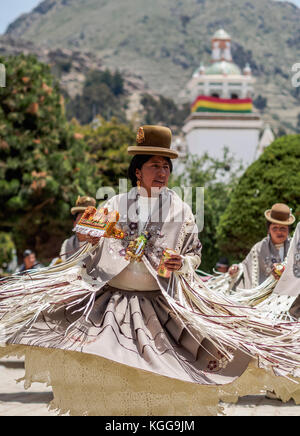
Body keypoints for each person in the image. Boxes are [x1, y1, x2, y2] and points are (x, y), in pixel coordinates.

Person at [0, 126, 300, 416]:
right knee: (112, 374)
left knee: (163, 379)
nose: (161, 172)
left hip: (159, 307)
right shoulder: (116, 203)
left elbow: (194, 255)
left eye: (166, 166)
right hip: (112, 305)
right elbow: (89, 243)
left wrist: (180, 264)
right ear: (137, 171)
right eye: (154, 165)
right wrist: (90, 240)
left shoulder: (180, 210)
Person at [228, 203, 295, 289]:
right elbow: (246, 267)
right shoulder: (259, 248)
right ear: (268, 230)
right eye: (275, 228)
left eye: (283, 228)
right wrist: (236, 269)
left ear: (288, 230)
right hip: (265, 296)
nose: (279, 232)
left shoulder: (295, 246)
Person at [59, 196, 97, 262]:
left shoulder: (100, 242)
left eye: (87, 220)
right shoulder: (67, 244)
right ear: (74, 224)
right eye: (80, 220)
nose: (83, 224)